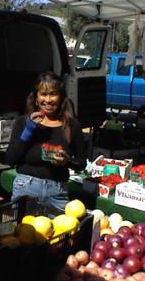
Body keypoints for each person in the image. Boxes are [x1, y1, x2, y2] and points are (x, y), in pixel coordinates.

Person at [6, 72, 87, 211]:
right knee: (23, 231)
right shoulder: (23, 122)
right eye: (43, 94)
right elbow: (10, 159)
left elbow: (81, 163)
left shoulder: (72, 125)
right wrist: (28, 131)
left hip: (57, 194)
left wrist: (67, 161)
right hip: (26, 189)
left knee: (60, 232)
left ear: (61, 97)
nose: (48, 100)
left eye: (53, 94)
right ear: (36, 97)